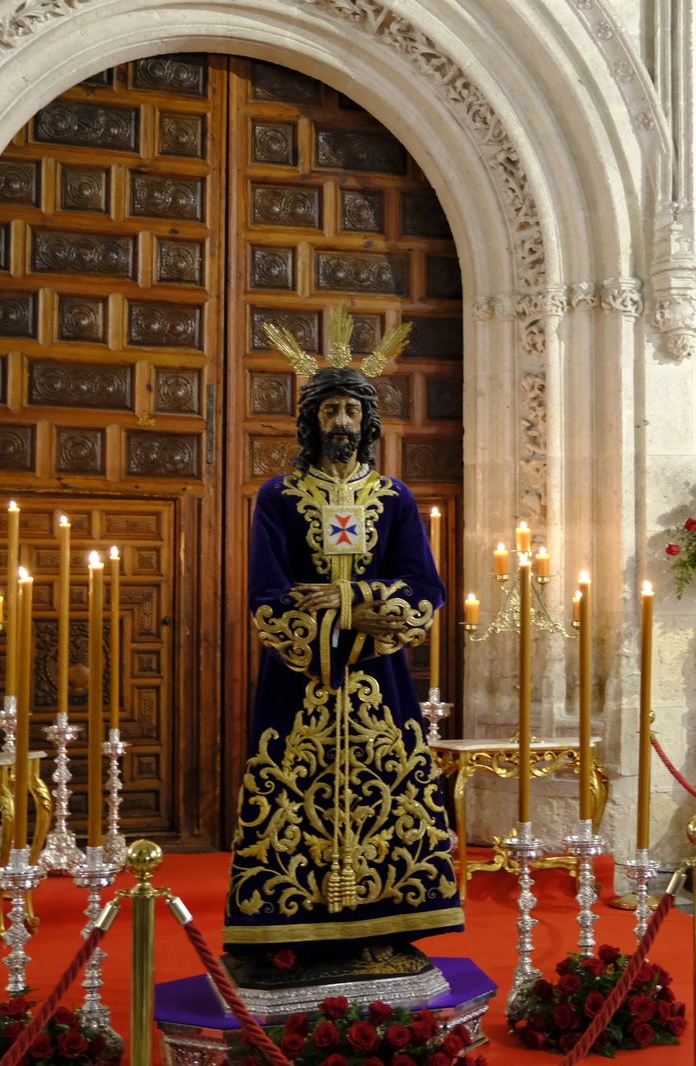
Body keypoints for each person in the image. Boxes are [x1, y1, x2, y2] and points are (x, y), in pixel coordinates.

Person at [222, 315, 462, 972]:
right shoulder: (278, 497)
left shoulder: (394, 499)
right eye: (329, 409)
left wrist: (352, 601)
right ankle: (285, 927)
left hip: (379, 683)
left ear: (368, 420)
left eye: (351, 409)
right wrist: (336, 624)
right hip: (300, 683)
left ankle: (385, 924)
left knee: (388, 791)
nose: (341, 421)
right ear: (310, 420)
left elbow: (425, 587)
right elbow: (269, 595)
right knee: (291, 793)